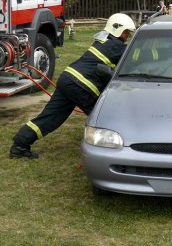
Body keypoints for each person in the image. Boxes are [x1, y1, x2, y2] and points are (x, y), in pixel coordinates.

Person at [10, 13, 136, 159]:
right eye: (126, 32)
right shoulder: (117, 46)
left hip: (67, 79)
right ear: (118, 30)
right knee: (104, 117)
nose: (127, 36)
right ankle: (111, 150)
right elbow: (135, 60)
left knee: (50, 118)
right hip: (81, 86)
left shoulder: (103, 40)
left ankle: (20, 144)